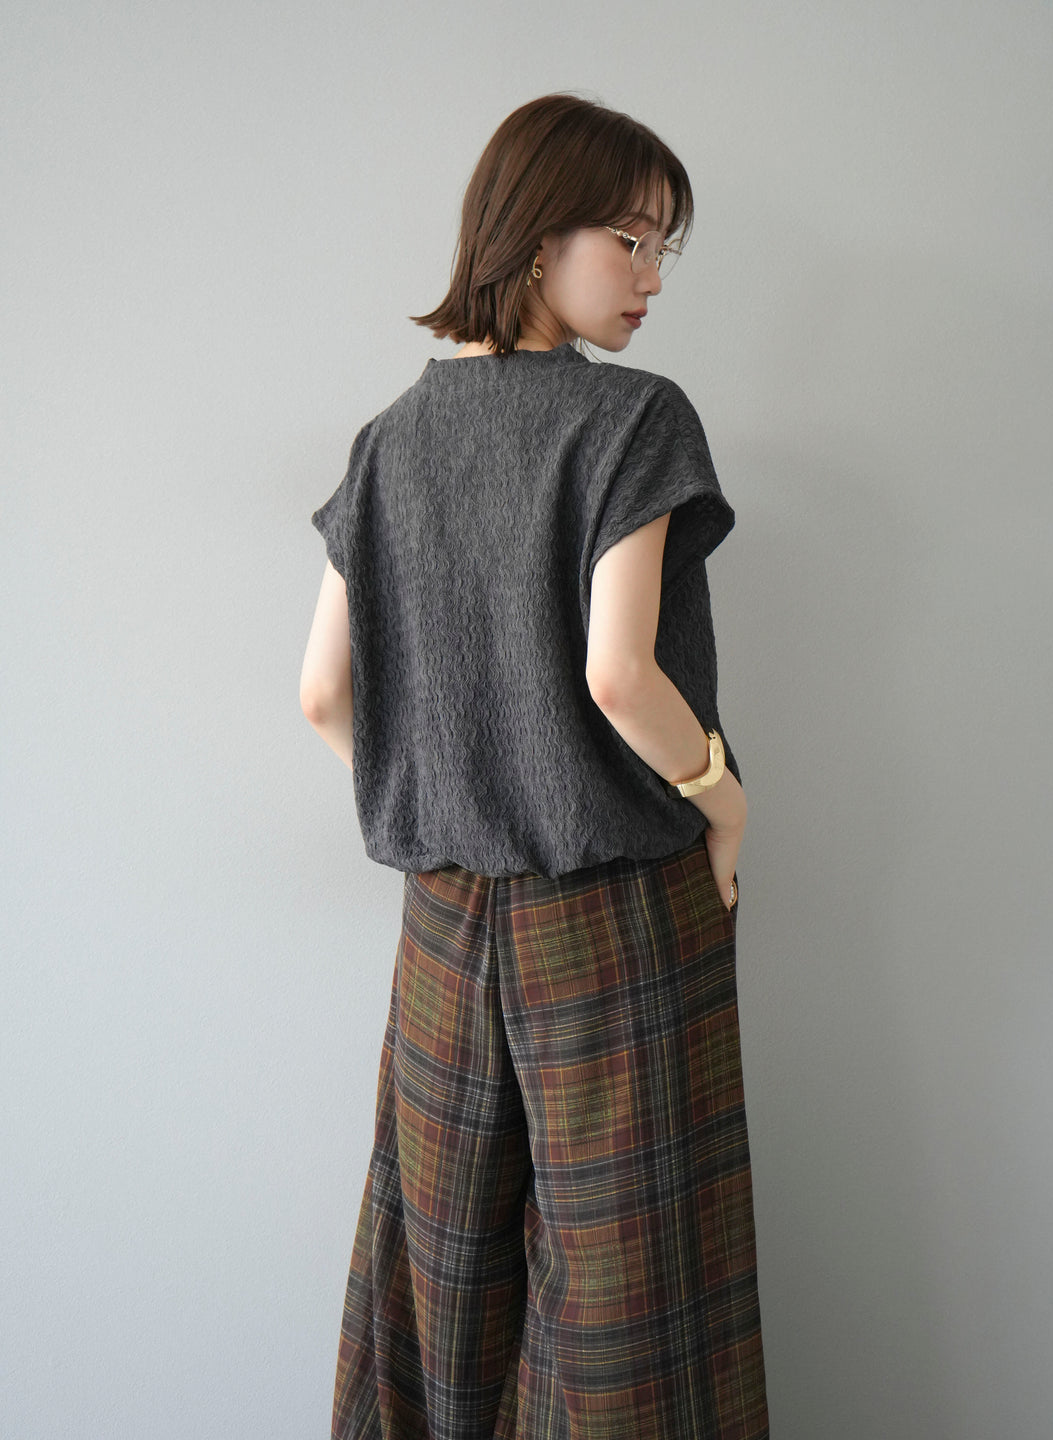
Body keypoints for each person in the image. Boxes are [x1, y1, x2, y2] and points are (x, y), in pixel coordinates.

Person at [300, 92, 769, 1440]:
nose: (652, 277)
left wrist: (452, 787)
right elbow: (619, 677)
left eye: (663, 246)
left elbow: (322, 695)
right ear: (535, 234)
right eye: (631, 238)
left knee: (443, 1286)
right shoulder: (633, 421)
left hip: (444, 927)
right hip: (618, 916)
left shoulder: (389, 438)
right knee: (630, 1308)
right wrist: (722, 800)